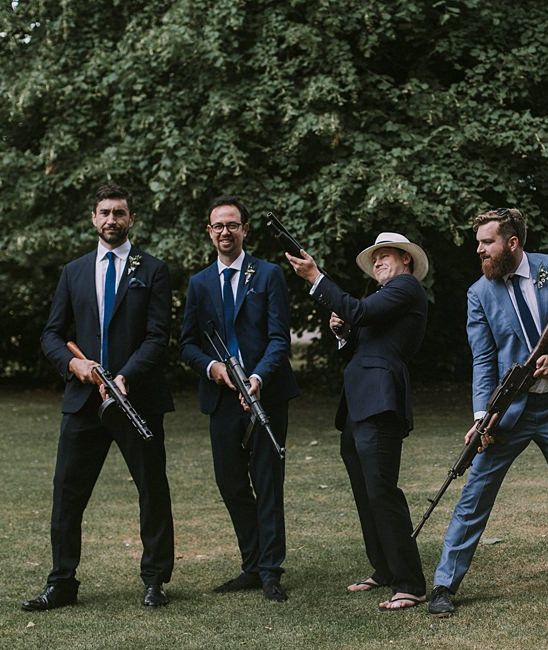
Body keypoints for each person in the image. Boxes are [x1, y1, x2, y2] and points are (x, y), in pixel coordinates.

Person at [428, 207, 548, 617]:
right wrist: (482, 417)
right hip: (508, 411)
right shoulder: (478, 293)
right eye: (478, 243)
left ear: (512, 243)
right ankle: (444, 584)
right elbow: (483, 360)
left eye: (486, 242)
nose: (479, 250)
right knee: (475, 495)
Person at [22, 184, 175, 611]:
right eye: (104, 212)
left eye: (120, 213)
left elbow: (157, 336)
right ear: (93, 218)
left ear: (131, 219)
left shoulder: (153, 269)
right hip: (83, 401)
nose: (112, 220)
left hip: (135, 399)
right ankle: (62, 583)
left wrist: (126, 375)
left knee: (152, 490)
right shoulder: (73, 271)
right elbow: (53, 334)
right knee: (67, 493)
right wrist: (75, 366)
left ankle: (154, 580)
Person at [287, 232, 429, 610]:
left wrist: (317, 277)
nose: (378, 262)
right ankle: (383, 569)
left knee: (382, 490)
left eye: (386, 256)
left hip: (380, 404)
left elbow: (361, 313)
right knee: (365, 492)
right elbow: (360, 343)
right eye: (375, 257)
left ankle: (410, 583)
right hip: (357, 405)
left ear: (407, 261)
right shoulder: (382, 299)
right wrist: (342, 333)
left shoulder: (407, 288)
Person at [180, 196, 298, 603]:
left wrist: (258, 377)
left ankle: (270, 571)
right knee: (231, 482)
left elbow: (280, 338)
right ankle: (252, 562)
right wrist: (214, 369)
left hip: (265, 392)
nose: (225, 232)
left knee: (267, 481)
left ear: (245, 229)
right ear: (209, 231)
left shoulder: (267, 275)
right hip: (222, 396)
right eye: (218, 226)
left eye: (232, 225)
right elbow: (187, 344)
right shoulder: (199, 283)